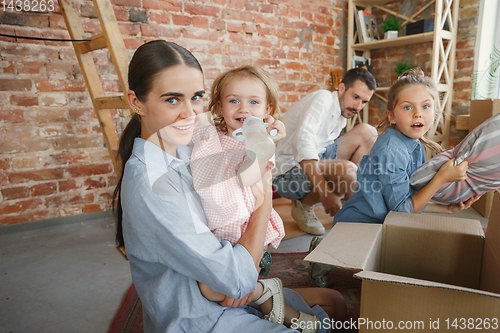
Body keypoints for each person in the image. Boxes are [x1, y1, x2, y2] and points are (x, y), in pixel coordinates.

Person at [112, 40, 346, 333]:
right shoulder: (151, 182)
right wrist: (264, 196)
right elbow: (236, 279)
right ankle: (265, 300)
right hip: (203, 316)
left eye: (196, 97)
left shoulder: (187, 146)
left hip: (234, 287)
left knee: (334, 303)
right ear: (136, 102)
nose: (189, 113)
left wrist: (261, 132)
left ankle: (265, 299)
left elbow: (234, 137)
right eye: (172, 100)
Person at [333, 68, 480, 224]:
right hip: (357, 226)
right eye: (408, 107)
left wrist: (447, 209)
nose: (418, 114)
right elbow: (401, 210)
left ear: (434, 112)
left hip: (383, 225)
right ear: (392, 117)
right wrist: (441, 178)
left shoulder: (416, 146)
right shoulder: (391, 150)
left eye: (425, 106)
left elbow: (408, 199)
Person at [273, 68, 378, 235]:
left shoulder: (342, 113)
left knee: (368, 132)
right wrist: (325, 191)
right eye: (355, 97)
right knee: (348, 171)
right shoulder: (323, 99)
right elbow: (302, 143)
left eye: (364, 102)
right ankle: (304, 205)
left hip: (316, 160)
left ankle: (353, 208)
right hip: (287, 174)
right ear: (342, 88)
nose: (358, 106)